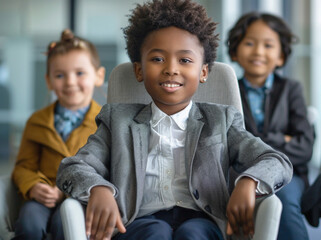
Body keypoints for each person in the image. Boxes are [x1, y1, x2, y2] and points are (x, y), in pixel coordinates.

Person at [56, 1, 292, 240]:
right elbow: (72, 167)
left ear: (203, 72)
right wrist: (99, 188)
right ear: (139, 70)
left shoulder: (222, 120)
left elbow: (276, 161)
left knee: (193, 234)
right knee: (155, 233)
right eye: (157, 59)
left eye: (185, 60)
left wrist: (249, 182)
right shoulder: (117, 120)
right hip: (140, 222)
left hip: (202, 220)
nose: (171, 69)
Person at [226, 12, 314, 240]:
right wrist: (280, 138)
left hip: (289, 175)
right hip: (239, 174)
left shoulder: (291, 89)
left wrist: (257, 142)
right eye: (249, 43)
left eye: (268, 45)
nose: (258, 51)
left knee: (282, 200)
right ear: (235, 51)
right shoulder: (227, 91)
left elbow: (304, 146)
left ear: (281, 57)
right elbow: (226, 144)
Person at [11, 29, 105, 240]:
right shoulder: (37, 121)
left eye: (79, 73)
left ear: (98, 76)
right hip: (42, 197)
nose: (70, 82)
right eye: (60, 75)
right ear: (49, 81)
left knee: (66, 226)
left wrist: (66, 192)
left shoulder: (105, 121)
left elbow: (109, 170)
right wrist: (34, 186)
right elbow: (23, 166)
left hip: (81, 198)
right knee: (28, 225)